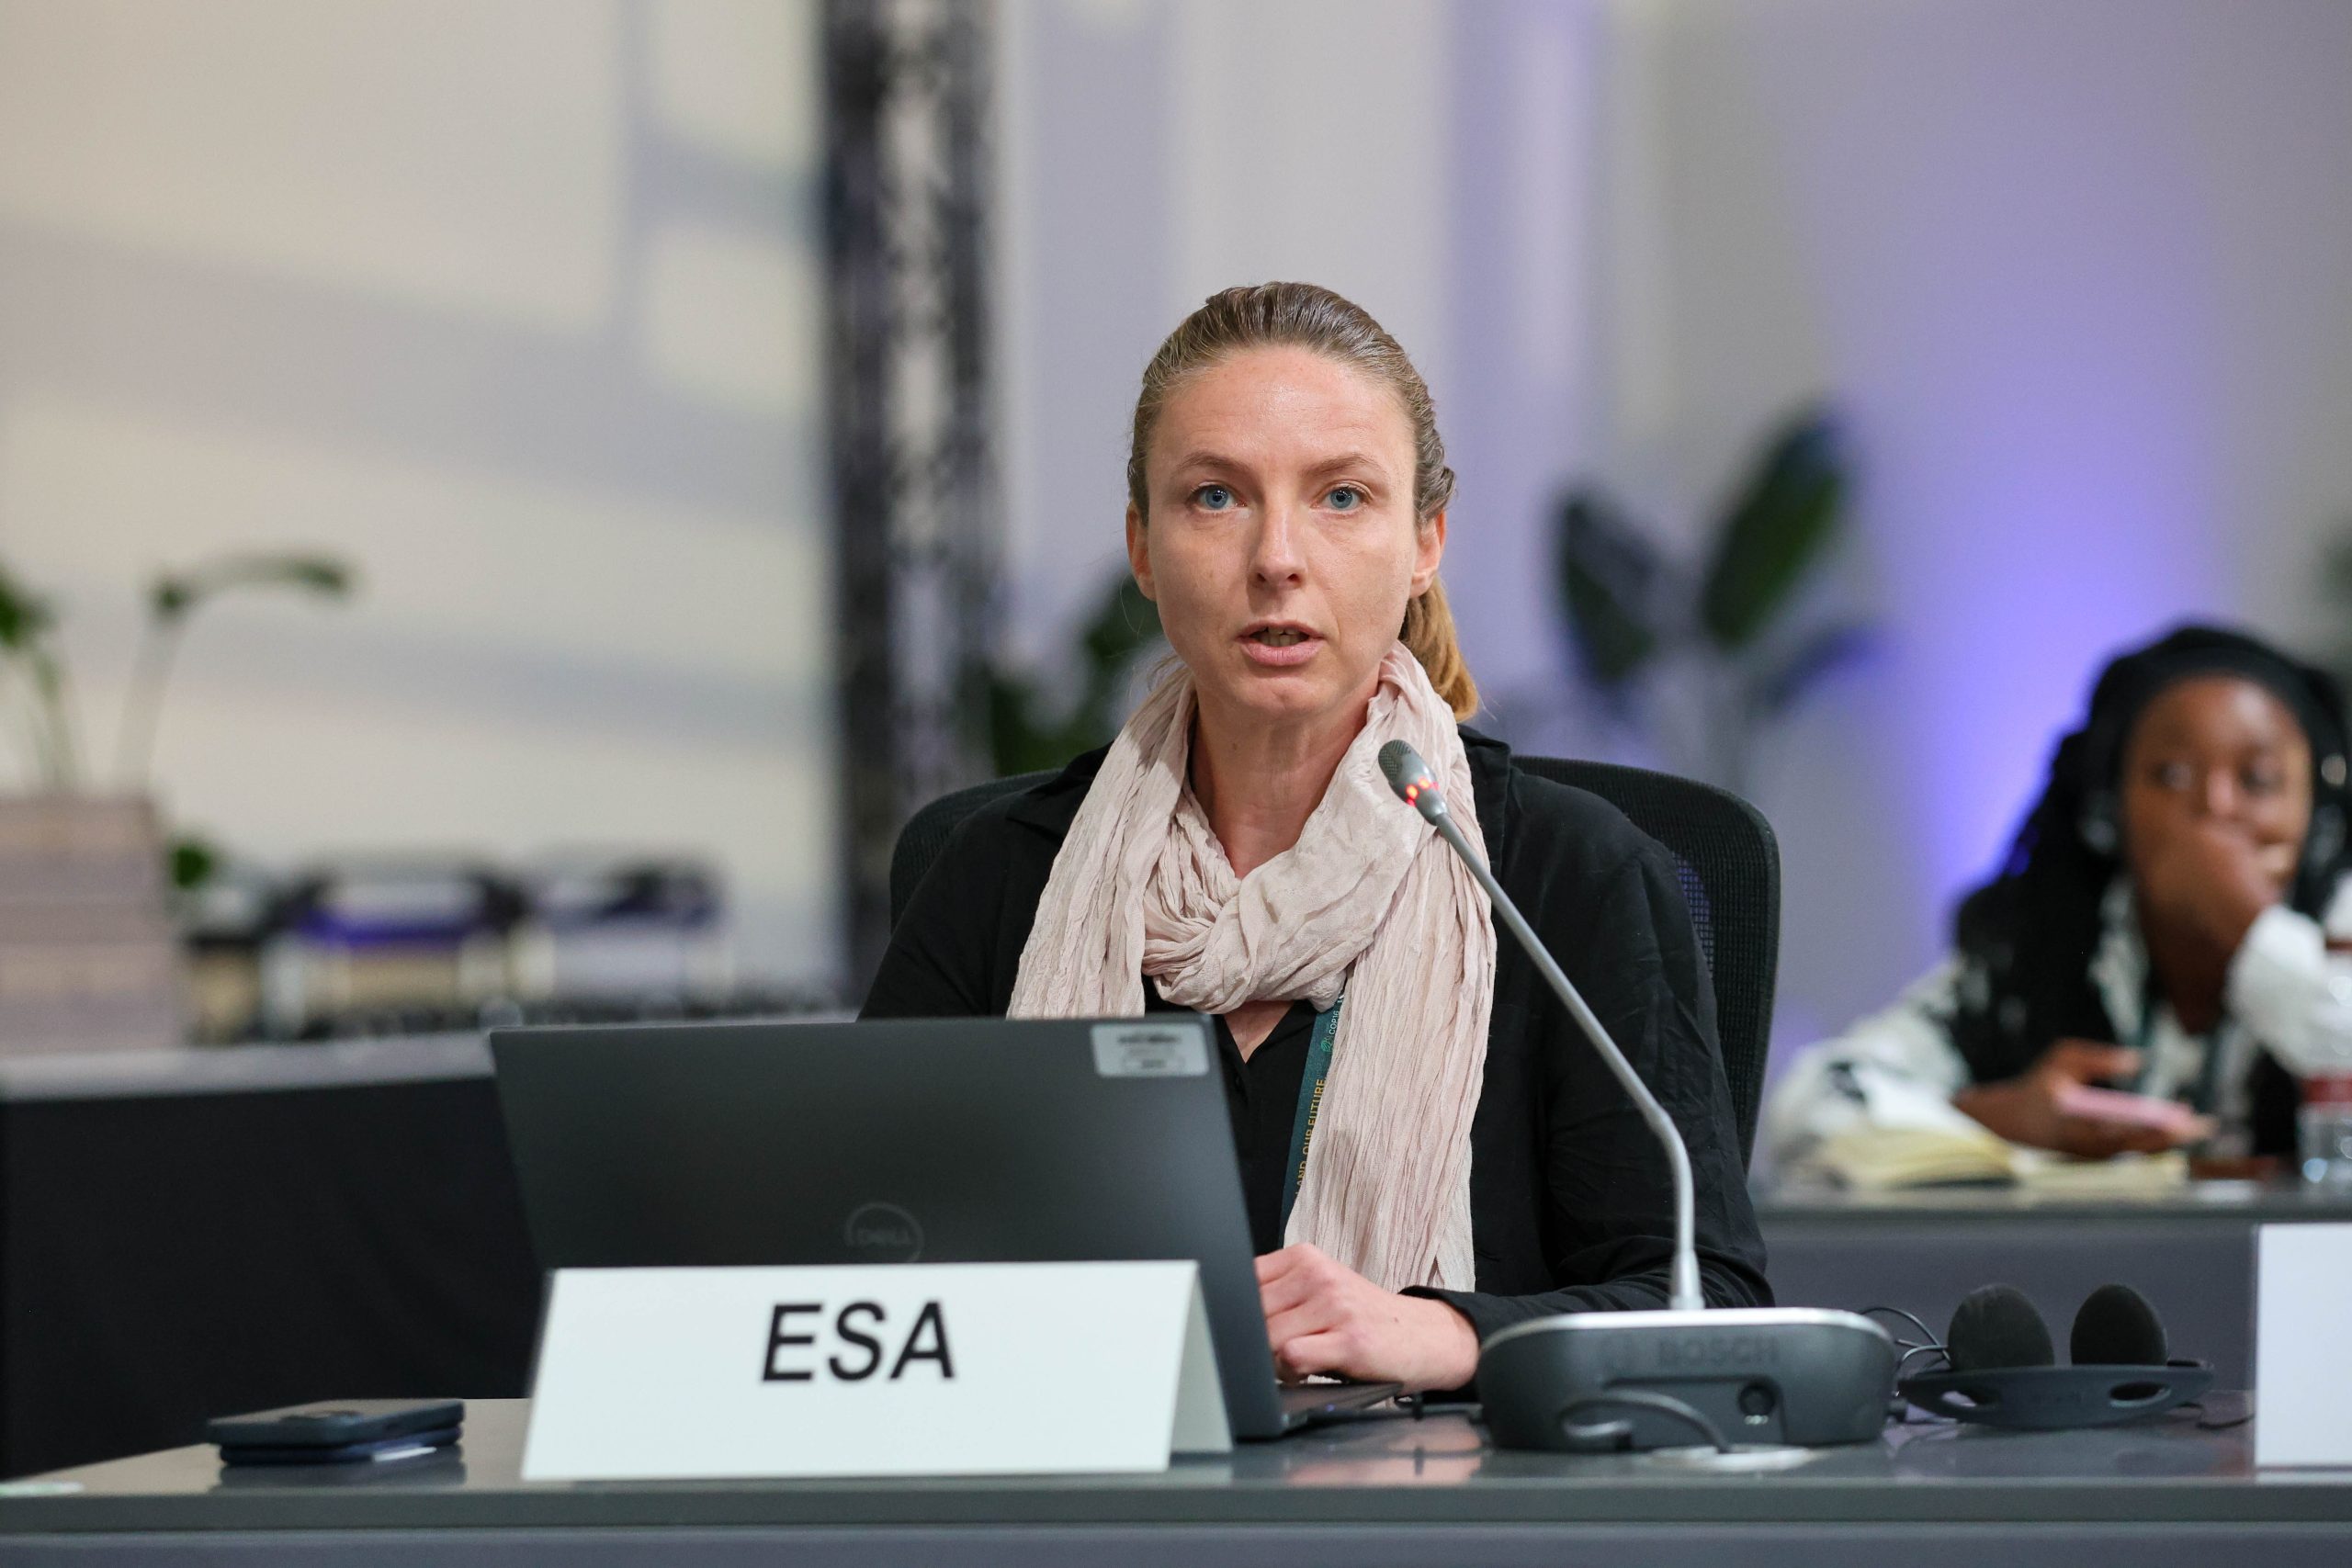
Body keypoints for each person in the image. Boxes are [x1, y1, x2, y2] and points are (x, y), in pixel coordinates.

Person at [865, 282, 1769, 1394]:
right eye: (1214, 498)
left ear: (1424, 542)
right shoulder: (1007, 877)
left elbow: (1705, 1303)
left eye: (1342, 497)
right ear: (1143, 551)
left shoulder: (1560, 879)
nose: (1277, 558)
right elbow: (859, 1265)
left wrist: (1446, 1337)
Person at [1763, 625, 2352, 1173]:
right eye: (2171, 775)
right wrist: (1994, 1120)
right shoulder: (2042, 951)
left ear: (2319, 816)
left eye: (2259, 780)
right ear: (2108, 808)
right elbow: (1805, 1111)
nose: (2216, 808)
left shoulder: (2339, 923)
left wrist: (2250, 929)